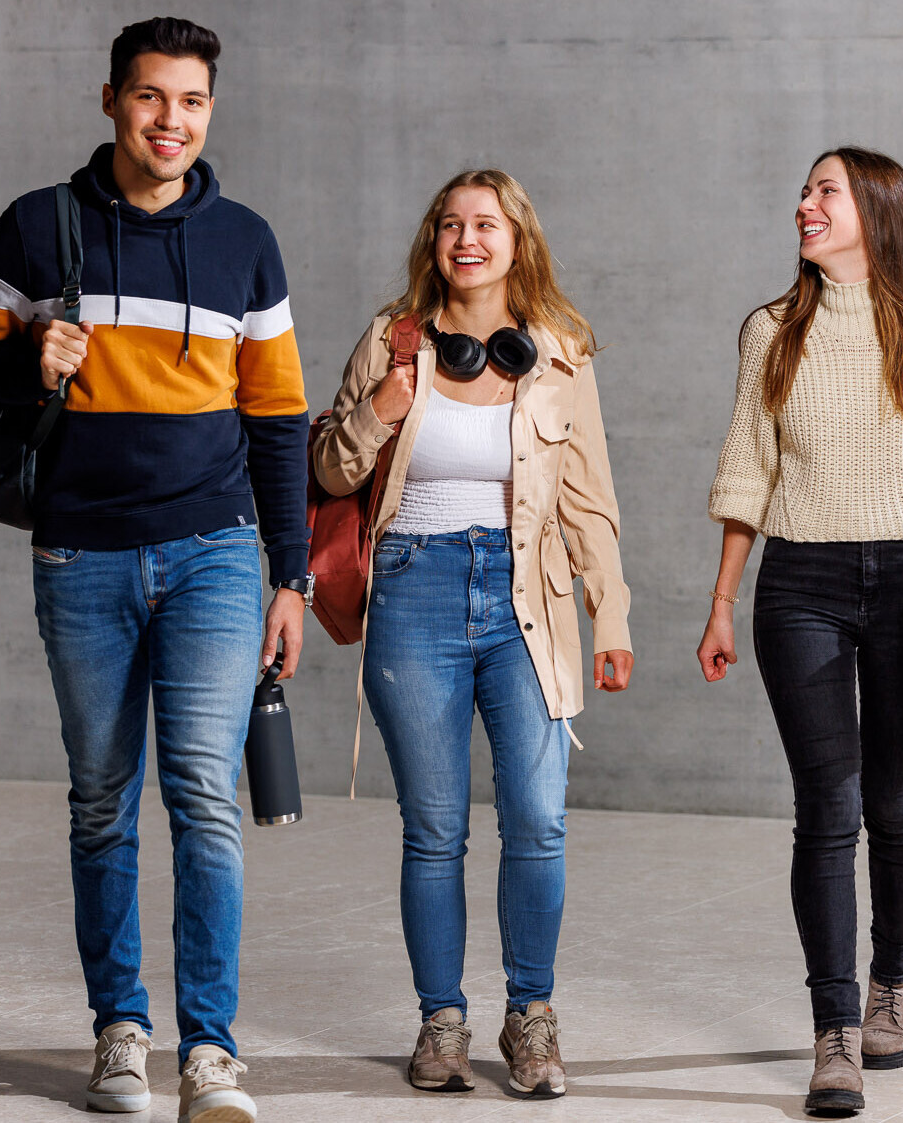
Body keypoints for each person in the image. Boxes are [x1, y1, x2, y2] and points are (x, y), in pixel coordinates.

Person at [0, 17, 311, 1123]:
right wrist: (27, 352)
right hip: (81, 555)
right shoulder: (37, 226)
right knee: (102, 801)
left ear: (211, 110)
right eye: (152, 98)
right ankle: (120, 1030)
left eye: (192, 102)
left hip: (212, 554)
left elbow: (282, 421)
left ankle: (210, 1051)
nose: (172, 122)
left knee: (203, 795)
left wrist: (288, 576)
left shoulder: (247, 240)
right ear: (111, 100)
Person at [697, 147, 903, 1118]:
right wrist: (721, 600)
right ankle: (834, 1030)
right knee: (826, 806)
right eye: (804, 190)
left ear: (875, 210)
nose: (804, 204)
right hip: (801, 580)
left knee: (895, 800)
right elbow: (746, 475)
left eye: (824, 191)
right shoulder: (771, 332)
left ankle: (893, 986)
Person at [311, 170, 632, 1099]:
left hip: (527, 592)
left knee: (537, 819)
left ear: (517, 239)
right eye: (450, 223)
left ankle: (530, 1017)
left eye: (485, 224)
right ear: (434, 240)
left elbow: (590, 500)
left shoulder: (561, 352)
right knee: (435, 828)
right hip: (413, 589)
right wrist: (379, 410)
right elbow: (330, 474)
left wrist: (609, 614)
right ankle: (440, 1021)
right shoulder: (392, 339)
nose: (466, 238)